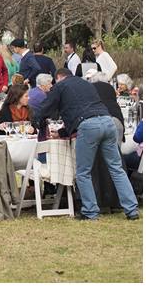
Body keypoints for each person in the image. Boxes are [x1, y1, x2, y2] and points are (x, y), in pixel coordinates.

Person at [36, 68, 138, 220]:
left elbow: (46, 107)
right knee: (116, 169)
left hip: (89, 125)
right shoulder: (87, 84)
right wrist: (63, 133)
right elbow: (83, 107)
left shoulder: (60, 86)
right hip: (108, 121)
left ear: (58, 77)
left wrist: (36, 120)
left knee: (83, 171)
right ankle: (132, 209)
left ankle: (90, 211)